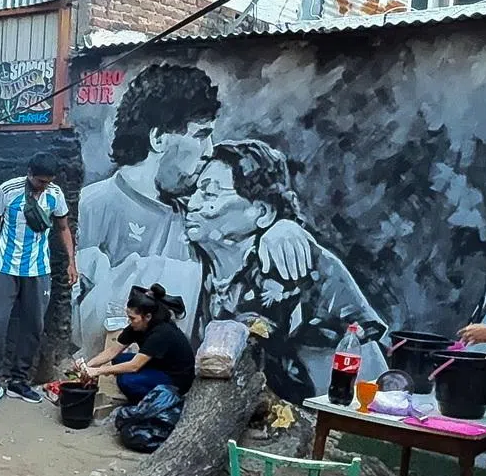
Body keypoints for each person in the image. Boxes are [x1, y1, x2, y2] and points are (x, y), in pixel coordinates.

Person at [74, 64, 312, 357]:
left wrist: (281, 227)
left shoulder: (198, 215)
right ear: (158, 138)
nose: (210, 149)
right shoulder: (90, 207)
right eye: (201, 135)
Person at [184, 139, 386, 403]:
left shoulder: (302, 266)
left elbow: (365, 358)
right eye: (196, 190)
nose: (193, 203)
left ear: (263, 212)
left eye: (210, 194)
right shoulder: (193, 256)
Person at [0, 151, 77, 412]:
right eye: (40, 181)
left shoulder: (55, 195)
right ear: (29, 173)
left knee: (33, 326)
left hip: (39, 270)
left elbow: (63, 227)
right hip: (5, 269)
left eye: (48, 181)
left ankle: (19, 380)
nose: (44, 186)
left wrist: (71, 262)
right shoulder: (8, 190)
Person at [80, 284, 195, 402]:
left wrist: (98, 371)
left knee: (127, 381)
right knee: (118, 359)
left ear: (147, 317)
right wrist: (87, 366)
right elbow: (112, 351)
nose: (129, 321)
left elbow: (134, 366)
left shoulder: (161, 333)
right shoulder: (137, 327)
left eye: (132, 318)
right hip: (159, 364)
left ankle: (151, 401)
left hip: (176, 379)